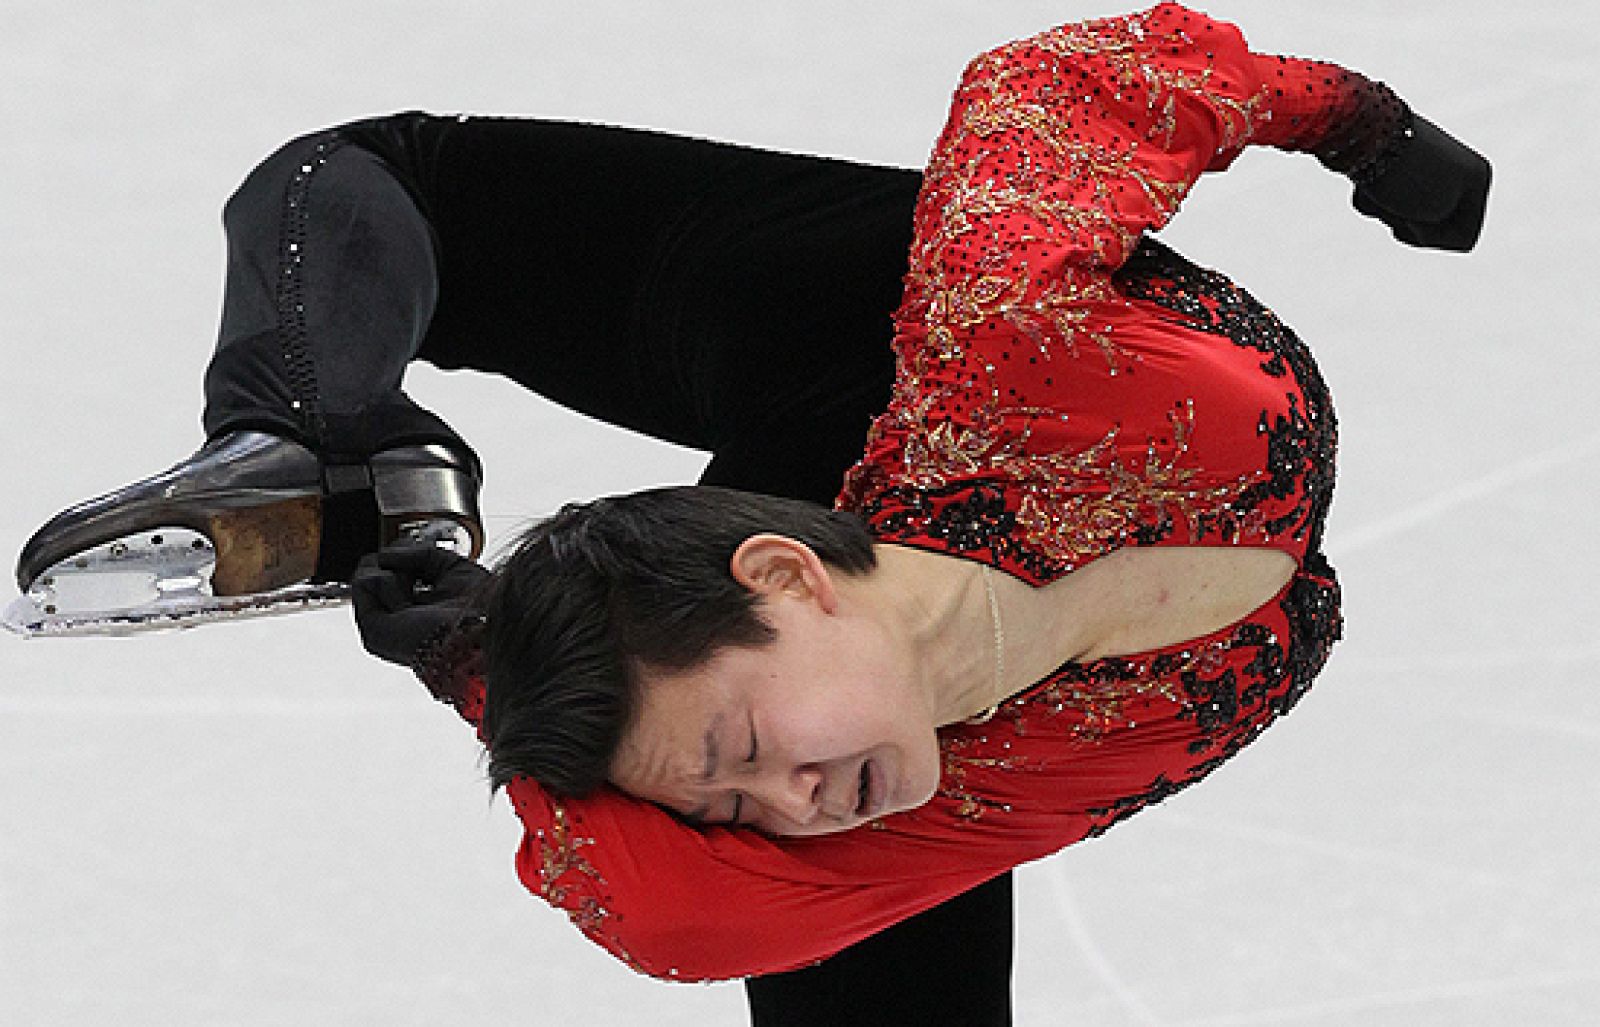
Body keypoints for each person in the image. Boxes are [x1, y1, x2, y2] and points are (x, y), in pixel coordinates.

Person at [14, 3, 1489, 1023]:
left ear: (785, 574)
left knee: (376, 178)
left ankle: (317, 435)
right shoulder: (878, 815)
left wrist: (1361, 124)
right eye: (722, 804)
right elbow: (656, 907)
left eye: (737, 760)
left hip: (889, 372)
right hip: (888, 629)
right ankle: (323, 445)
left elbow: (1055, 87)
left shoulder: (1022, 341)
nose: (781, 811)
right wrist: (488, 669)